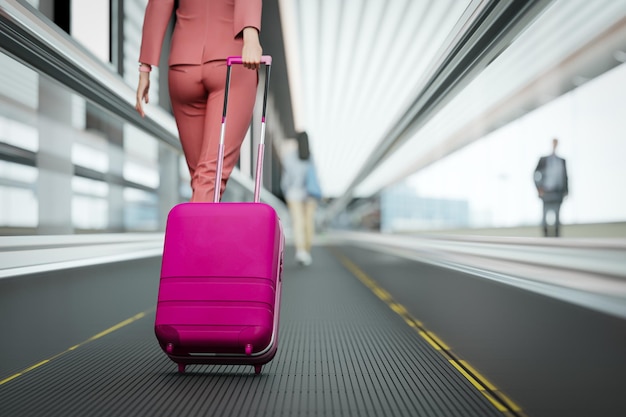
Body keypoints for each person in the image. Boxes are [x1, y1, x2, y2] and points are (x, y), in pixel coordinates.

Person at [135, 0, 263, 202]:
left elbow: (158, 4)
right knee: (209, 178)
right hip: (231, 61)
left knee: (201, 180)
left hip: (182, 65)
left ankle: (208, 233)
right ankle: (188, 235)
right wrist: (251, 36)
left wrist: (145, 68)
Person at [281, 132, 322, 266]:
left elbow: (286, 179)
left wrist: (286, 191)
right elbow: (316, 177)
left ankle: (301, 252)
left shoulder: (289, 157)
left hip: (294, 194)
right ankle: (307, 251)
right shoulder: (311, 157)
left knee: (298, 222)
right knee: (308, 223)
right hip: (310, 195)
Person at [534, 138, 569, 237]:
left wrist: (566, 191)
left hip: (558, 192)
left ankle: (557, 240)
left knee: (557, 218)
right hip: (546, 192)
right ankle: (545, 240)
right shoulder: (544, 160)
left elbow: (566, 176)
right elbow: (535, 173)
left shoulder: (562, 161)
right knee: (544, 218)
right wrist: (539, 188)